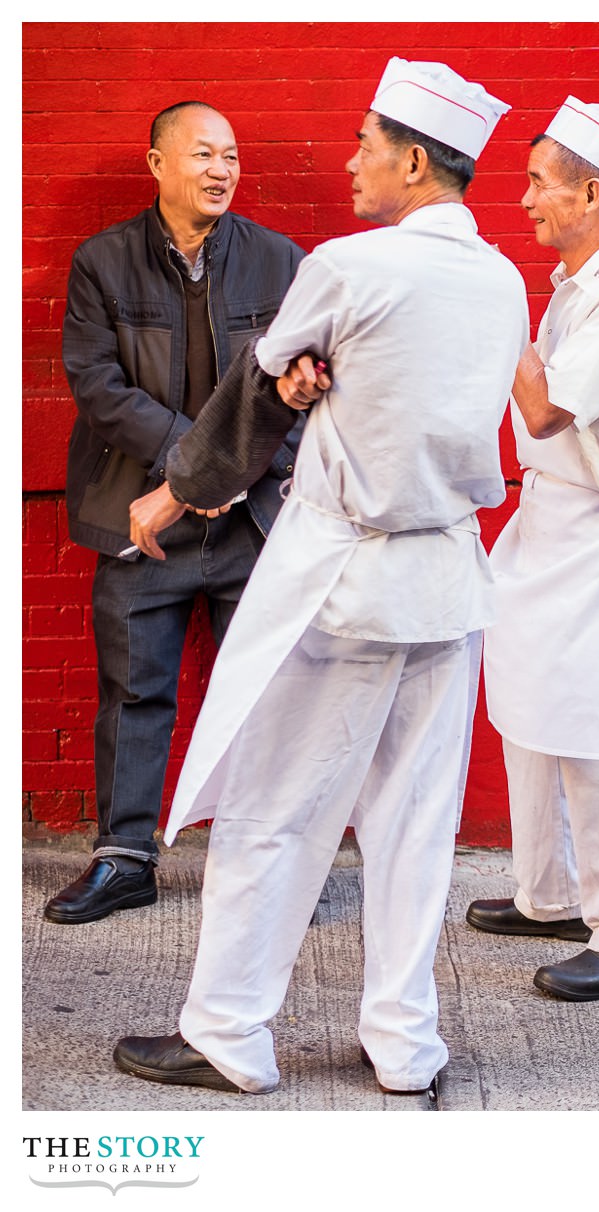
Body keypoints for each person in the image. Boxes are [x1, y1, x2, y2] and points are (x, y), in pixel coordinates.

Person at [112, 58, 526, 1096]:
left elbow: (263, 394)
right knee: (415, 822)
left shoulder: (352, 267)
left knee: (274, 809)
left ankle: (229, 1034)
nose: (352, 161)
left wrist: (176, 491)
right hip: (447, 584)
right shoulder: (503, 278)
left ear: (414, 162)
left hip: (346, 581)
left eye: (366, 145)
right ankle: (403, 1044)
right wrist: (310, 380)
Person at [47, 102, 304, 925]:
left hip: (251, 520)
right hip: (137, 516)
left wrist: (225, 473)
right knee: (133, 690)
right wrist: (203, 464)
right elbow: (97, 385)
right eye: (202, 154)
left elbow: (302, 384)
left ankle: (263, 864)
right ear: (156, 164)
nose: (221, 169)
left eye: (232, 154)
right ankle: (124, 859)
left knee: (263, 698)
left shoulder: (280, 261)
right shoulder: (103, 262)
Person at [465, 96, 599, 1002]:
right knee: (528, 711)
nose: (526, 202)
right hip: (549, 520)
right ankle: (549, 895)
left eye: (540, 185)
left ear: (592, 192)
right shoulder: (574, 288)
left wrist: (496, 304)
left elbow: (546, 408)